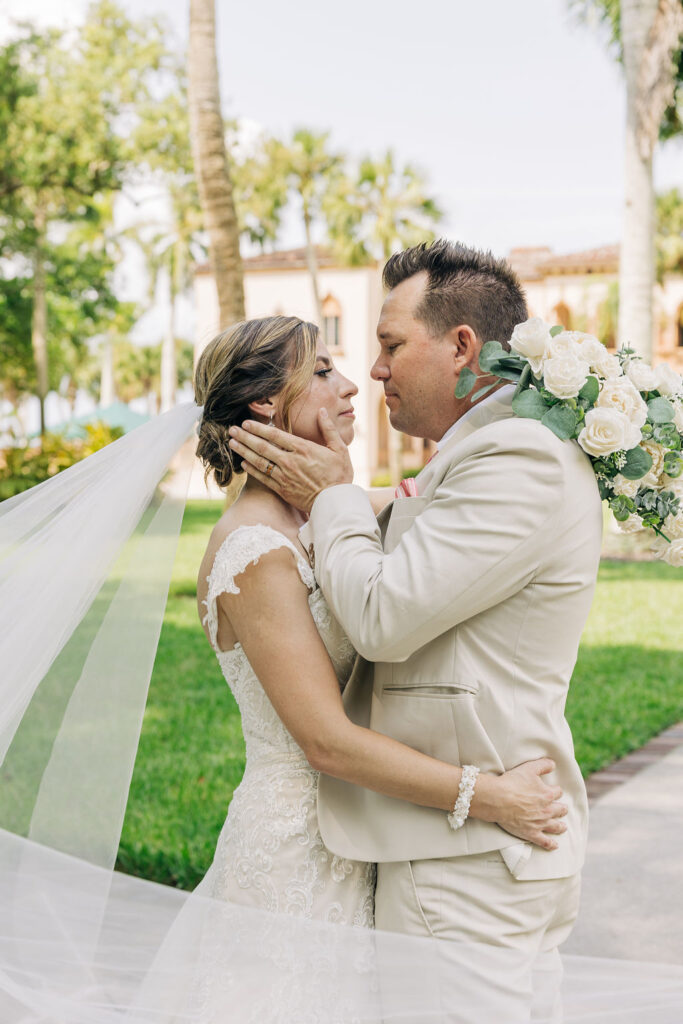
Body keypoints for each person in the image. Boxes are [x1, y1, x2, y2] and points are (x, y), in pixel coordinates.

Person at [228, 241, 604, 1022]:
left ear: (461, 346)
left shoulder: (514, 455)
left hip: (464, 860)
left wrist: (332, 493)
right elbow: (409, 527)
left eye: (389, 344)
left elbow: (381, 618)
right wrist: (340, 499)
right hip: (459, 838)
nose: (371, 372)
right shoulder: (479, 452)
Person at [191, 312, 567, 927]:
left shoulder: (323, 511)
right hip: (298, 856)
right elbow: (324, 742)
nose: (349, 385)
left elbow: (452, 502)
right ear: (262, 402)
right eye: (320, 371)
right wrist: (491, 797)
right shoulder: (254, 550)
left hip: (372, 834)